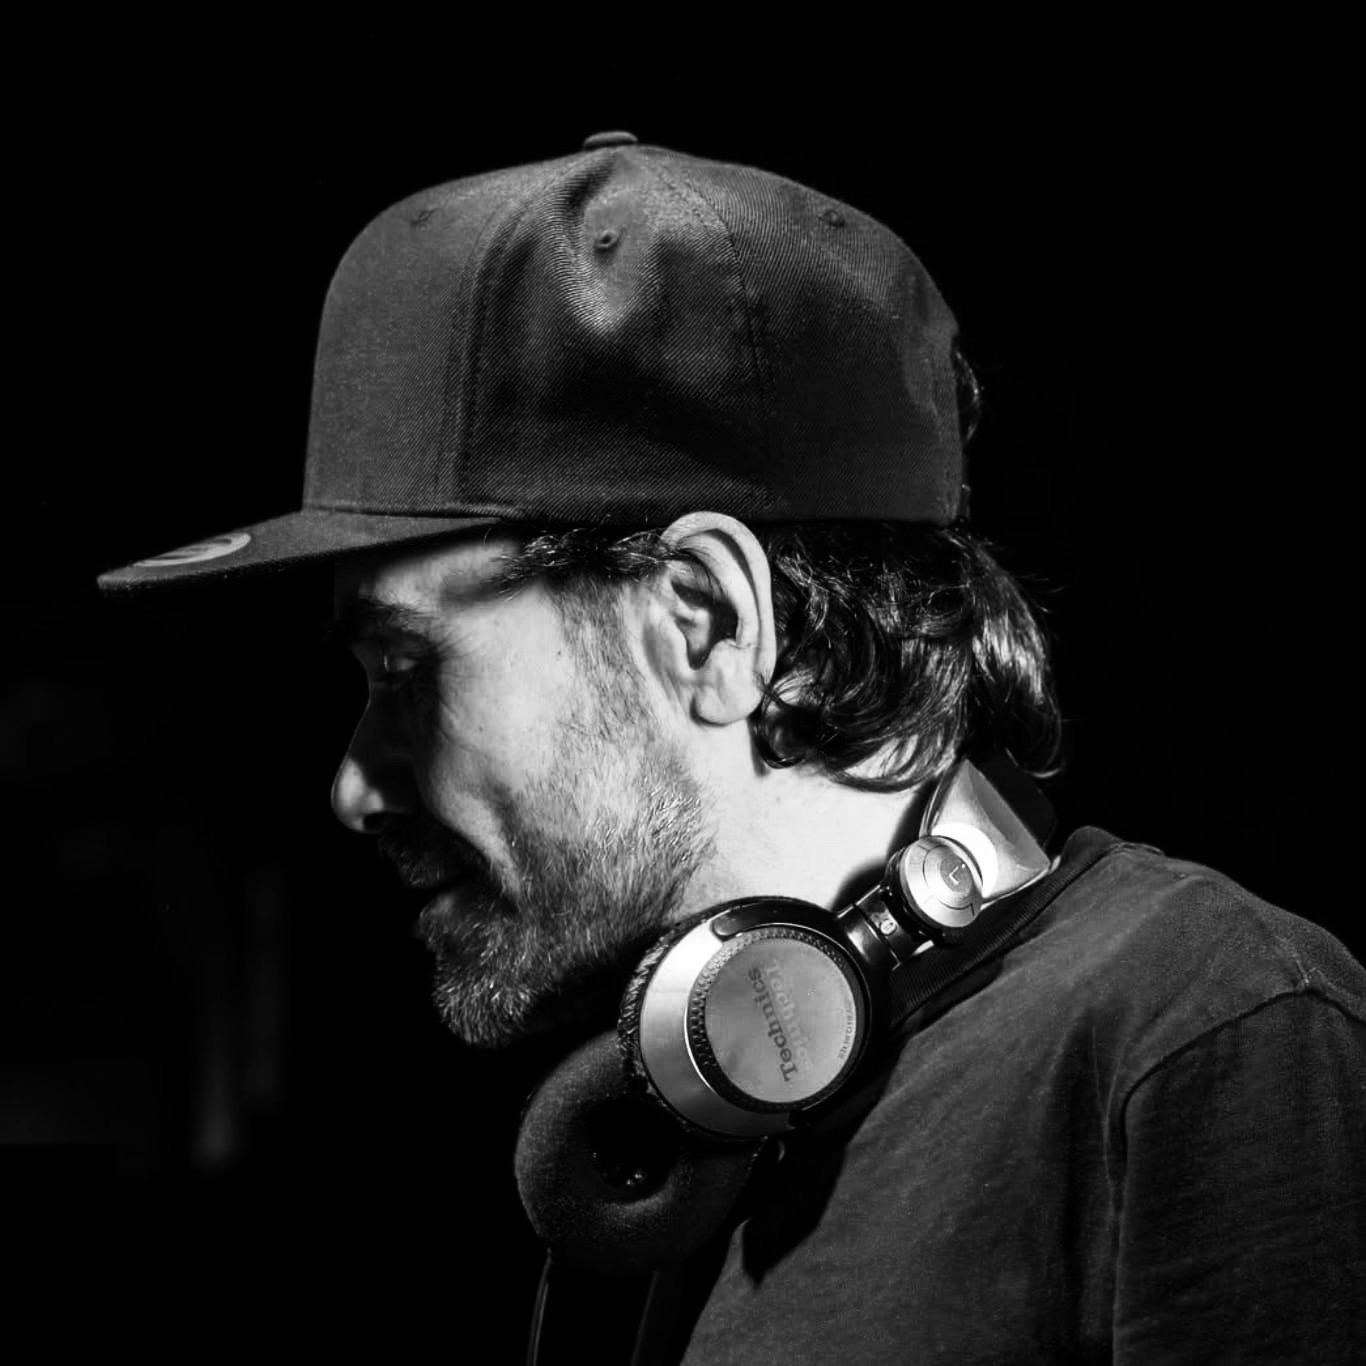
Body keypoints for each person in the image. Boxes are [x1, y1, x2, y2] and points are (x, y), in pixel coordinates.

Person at [100, 132, 1364, 1363]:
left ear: (705, 620)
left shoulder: (1207, 1036)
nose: (352, 783)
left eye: (405, 668)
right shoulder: (678, 1146)